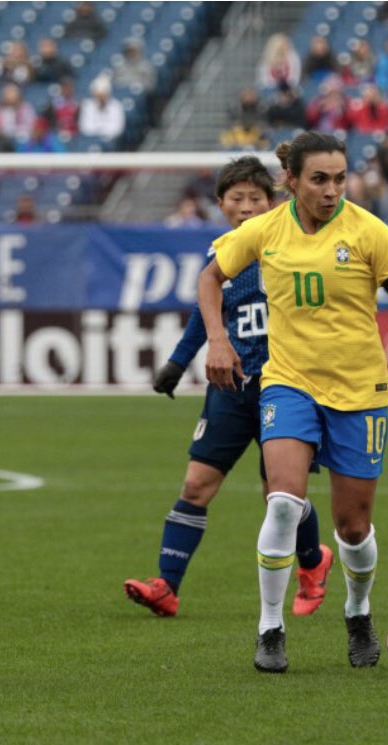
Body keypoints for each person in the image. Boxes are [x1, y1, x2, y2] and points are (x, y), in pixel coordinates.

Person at [197, 132, 388, 673]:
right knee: (283, 501)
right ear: (291, 181)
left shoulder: (369, 232)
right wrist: (217, 339)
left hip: (359, 391)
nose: (332, 190)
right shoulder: (264, 230)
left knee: (352, 528)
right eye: (319, 180)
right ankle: (270, 627)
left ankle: (358, 610)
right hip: (288, 382)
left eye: (339, 179)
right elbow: (210, 277)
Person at [125, 156, 333, 619]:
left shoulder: (294, 246)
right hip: (232, 387)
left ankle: (312, 563)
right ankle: (166, 585)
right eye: (236, 199)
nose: (245, 207)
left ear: (272, 203)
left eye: (255, 198)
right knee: (196, 483)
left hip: (287, 387)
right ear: (220, 205)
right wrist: (177, 363)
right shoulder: (220, 256)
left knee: (279, 494)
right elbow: (206, 312)